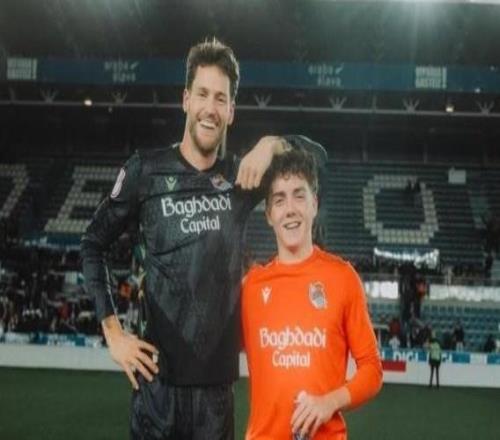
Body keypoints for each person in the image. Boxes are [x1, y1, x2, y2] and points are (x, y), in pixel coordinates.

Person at [81, 38, 326, 440]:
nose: (210, 108)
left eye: (221, 99)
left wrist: (271, 145)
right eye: (202, 94)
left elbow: (318, 160)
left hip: (215, 401)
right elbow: (93, 243)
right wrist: (113, 333)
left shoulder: (241, 178)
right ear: (186, 100)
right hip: (156, 393)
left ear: (231, 111)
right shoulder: (146, 171)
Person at [241, 149, 382, 440]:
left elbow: (372, 369)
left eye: (299, 195)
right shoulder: (251, 287)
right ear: (269, 215)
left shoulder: (342, 277)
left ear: (314, 204)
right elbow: (209, 347)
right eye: (279, 199)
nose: (290, 209)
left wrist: (330, 401)